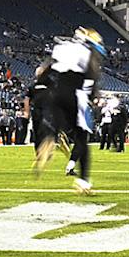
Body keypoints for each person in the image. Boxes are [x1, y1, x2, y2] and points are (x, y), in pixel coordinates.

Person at [35, 28, 104, 194]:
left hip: (56, 94)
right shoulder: (86, 52)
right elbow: (93, 76)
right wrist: (94, 95)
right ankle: (83, 181)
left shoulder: (62, 47)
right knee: (82, 138)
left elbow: (42, 73)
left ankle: (50, 138)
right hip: (75, 95)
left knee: (57, 125)